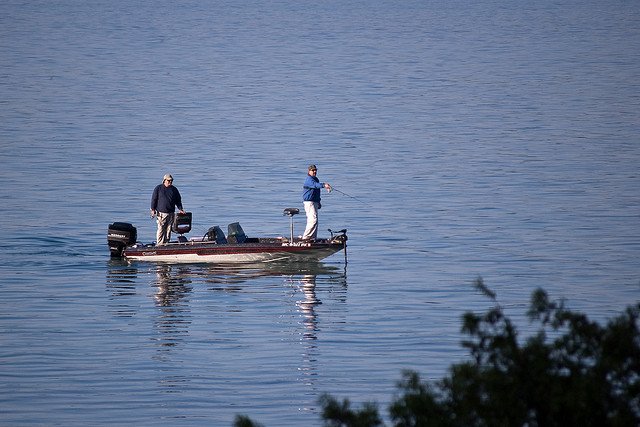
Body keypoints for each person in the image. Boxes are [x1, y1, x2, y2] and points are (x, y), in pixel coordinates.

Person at [150, 174, 185, 245]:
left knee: (169, 229)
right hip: (161, 213)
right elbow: (154, 199)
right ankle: (159, 244)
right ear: (164, 180)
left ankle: (166, 243)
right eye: (169, 180)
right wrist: (153, 209)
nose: (170, 182)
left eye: (171, 180)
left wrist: (180, 209)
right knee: (161, 229)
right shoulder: (158, 188)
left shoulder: (174, 189)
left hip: (171, 213)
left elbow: (178, 200)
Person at [302, 164, 331, 241]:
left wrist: (318, 202)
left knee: (315, 221)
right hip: (309, 203)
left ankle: (312, 238)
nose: (314, 171)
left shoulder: (316, 179)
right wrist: (324, 185)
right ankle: (305, 238)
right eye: (313, 170)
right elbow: (315, 185)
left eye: (315, 170)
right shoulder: (309, 180)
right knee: (313, 220)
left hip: (314, 202)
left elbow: (317, 191)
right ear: (309, 171)